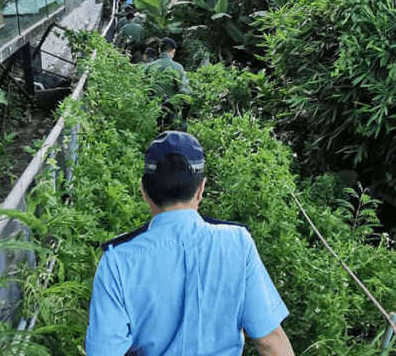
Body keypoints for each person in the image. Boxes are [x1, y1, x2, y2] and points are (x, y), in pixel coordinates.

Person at [86, 131, 294, 356]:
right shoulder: (237, 243)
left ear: (144, 190)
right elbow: (270, 342)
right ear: (201, 189)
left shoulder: (117, 261)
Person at [145, 37, 192, 130]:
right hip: (170, 111)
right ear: (173, 51)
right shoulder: (178, 67)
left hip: (152, 111)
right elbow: (183, 91)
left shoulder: (149, 67)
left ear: (159, 50)